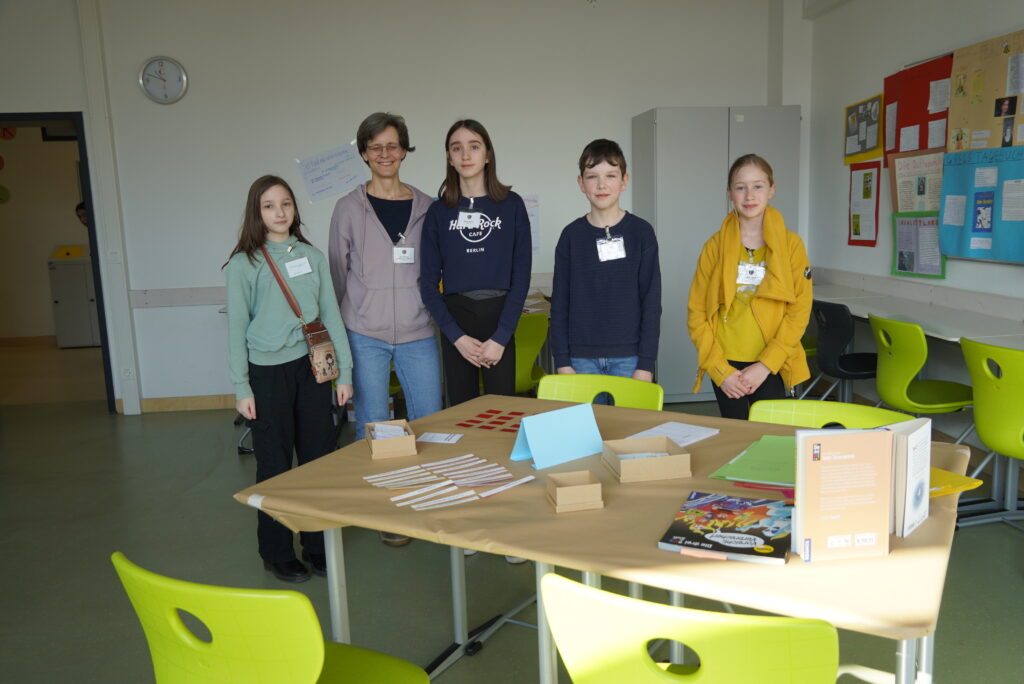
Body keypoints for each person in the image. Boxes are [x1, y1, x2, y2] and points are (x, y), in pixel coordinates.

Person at [225, 175, 353, 583]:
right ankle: (276, 551)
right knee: (275, 464)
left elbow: (331, 316)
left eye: (286, 204)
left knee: (317, 461)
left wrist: (344, 374)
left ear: (295, 209)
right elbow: (236, 329)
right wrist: (241, 386)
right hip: (266, 374)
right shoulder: (244, 264)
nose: (279, 212)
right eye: (269, 206)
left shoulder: (312, 257)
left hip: (312, 369)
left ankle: (317, 545)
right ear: (256, 212)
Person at [328, 112, 441, 548]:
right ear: (363, 154)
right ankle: (384, 510)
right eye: (375, 147)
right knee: (373, 427)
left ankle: (426, 501)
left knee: (429, 422)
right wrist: (345, 328)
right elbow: (337, 273)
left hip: (418, 332)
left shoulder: (427, 207)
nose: (385, 154)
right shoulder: (348, 208)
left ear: (404, 150)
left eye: (392, 145)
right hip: (365, 334)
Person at [687, 154, 812, 420]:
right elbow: (696, 313)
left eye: (758, 186)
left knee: (770, 437)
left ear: (771, 190)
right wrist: (720, 370)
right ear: (729, 193)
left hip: (772, 361)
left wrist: (766, 365)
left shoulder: (792, 245)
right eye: (740, 187)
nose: (749, 195)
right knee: (736, 434)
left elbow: (799, 312)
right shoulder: (714, 246)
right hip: (726, 363)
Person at [420, 119, 532, 406]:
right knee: (460, 412)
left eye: (474, 146)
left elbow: (521, 277)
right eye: (457, 148)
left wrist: (502, 337)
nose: (466, 155)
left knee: (502, 412)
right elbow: (428, 284)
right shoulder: (438, 212)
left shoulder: (511, 205)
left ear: (488, 155)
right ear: (449, 157)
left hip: (500, 319)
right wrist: (456, 337)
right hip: (456, 323)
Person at [549, 139, 661, 402]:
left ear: (624, 181)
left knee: (628, 428)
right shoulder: (570, 236)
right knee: (587, 429)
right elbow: (560, 303)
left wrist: (646, 363)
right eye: (592, 177)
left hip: (630, 358)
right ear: (581, 183)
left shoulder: (641, 233)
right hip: (579, 360)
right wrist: (562, 360)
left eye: (610, 175)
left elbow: (651, 302)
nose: (601, 185)